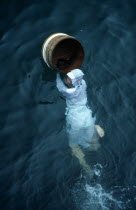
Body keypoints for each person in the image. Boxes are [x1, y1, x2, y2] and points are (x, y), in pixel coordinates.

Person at [56, 69, 104, 177]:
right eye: (67, 77)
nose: (66, 79)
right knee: (94, 146)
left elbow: (59, 85)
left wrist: (57, 73)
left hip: (75, 118)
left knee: (73, 145)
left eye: (69, 79)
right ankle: (95, 126)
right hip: (86, 115)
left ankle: (85, 165)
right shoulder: (83, 83)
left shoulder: (69, 91)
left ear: (74, 82)